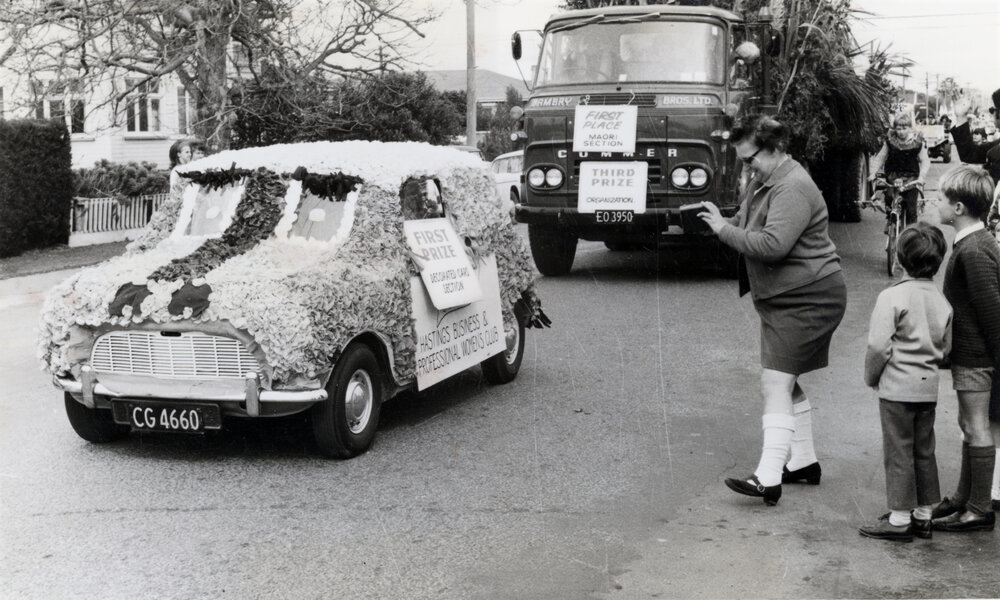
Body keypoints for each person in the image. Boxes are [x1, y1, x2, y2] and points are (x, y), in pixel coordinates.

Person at [698, 115, 847, 506]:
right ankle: (802, 463)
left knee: (775, 384)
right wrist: (718, 221)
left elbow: (772, 244)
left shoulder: (793, 186)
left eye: (750, 159)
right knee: (787, 381)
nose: (747, 167)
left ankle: (768, 477)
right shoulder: (769, 180)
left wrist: (722, 231)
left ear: (776, 148)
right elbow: (748, 223)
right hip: (790, 297)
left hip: (807, 297)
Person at [859, 222, 951, 542]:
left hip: (897, 388)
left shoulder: (892, 297)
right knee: (924, 450)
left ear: (899, 258)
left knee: (898, 450)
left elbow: (877, 346)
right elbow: (946, 349)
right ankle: (924, 516)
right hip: (928, 388)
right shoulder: (942, 301)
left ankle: (899, 520)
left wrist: (872, 377)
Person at [929, 165, 999, 532]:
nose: (933, 202)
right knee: (969, 426)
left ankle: (978, 507)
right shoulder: (975, 243)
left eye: (939, 198)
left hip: (976, 358)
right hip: (971, 356)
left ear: (958, 208)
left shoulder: (973, 250)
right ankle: (963, 498)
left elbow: (992, 312)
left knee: (975, 427)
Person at [869, 112, 930, 226]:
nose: (901, 132)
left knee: (912, 211)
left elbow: (925, 160)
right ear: (894, 129)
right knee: (889, 198)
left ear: (910, 128)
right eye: (898, 129)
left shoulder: (917, 142)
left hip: (912, 177)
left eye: (904, 128)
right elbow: (881, 157)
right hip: (893, 175)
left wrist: (922, 177)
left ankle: (910, 236)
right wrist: (873, 172)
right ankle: (890, 218)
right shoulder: (890, 141)